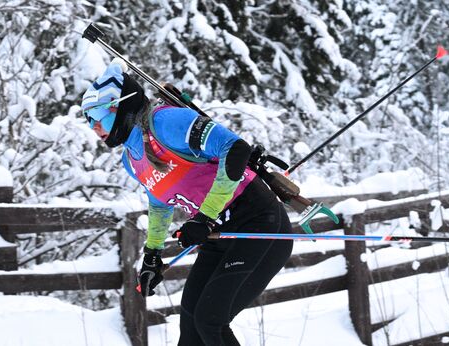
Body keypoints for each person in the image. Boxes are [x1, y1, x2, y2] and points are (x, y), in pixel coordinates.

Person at [81, 58, 294, 346]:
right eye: (87, 119)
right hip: (218, 234)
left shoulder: (166, 122)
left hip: (258, 222)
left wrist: (204, 218)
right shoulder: (131, 159)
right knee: (191, 325)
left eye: (97, 115)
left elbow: (235, 149)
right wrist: (152, 255)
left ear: (121, 105)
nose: (93, 126)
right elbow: (159, 202)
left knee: (210, 321)